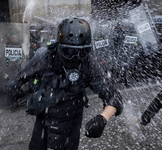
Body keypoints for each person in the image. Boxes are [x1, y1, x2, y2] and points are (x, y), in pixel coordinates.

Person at [8, 17, 123, 150]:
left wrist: (103, 118)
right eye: (69, 52)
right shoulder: (45, 56)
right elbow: (19, 78)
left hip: (72, 117)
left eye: (81, 52)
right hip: (45, 113)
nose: (75, 57)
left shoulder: (88, 62)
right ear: (59, 46)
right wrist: (12, 88)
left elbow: (114, 96)